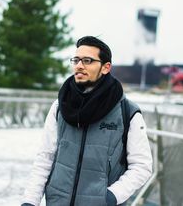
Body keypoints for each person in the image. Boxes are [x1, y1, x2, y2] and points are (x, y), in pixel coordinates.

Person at [21, 36, 153, 206]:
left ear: (105, 68)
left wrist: (110, 196)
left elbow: (142, 166)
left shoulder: (127, 112)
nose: (79, 66)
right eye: (76, 60)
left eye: (87, 60)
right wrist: (30, 201)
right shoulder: (60, 106)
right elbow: (45, 157)